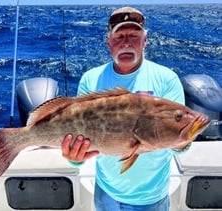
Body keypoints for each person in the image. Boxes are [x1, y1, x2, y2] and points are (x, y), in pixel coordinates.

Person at [61, 6, 190, 211]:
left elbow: (179, 142)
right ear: (108, 42)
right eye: (119, 36)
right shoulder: (91, 79)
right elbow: (77, 137)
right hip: (106, 193)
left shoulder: (167, 79)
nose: (126, 43)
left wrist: (183, 140)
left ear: (145, 41)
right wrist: (74, 159)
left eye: (134, 35)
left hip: (152, 198)